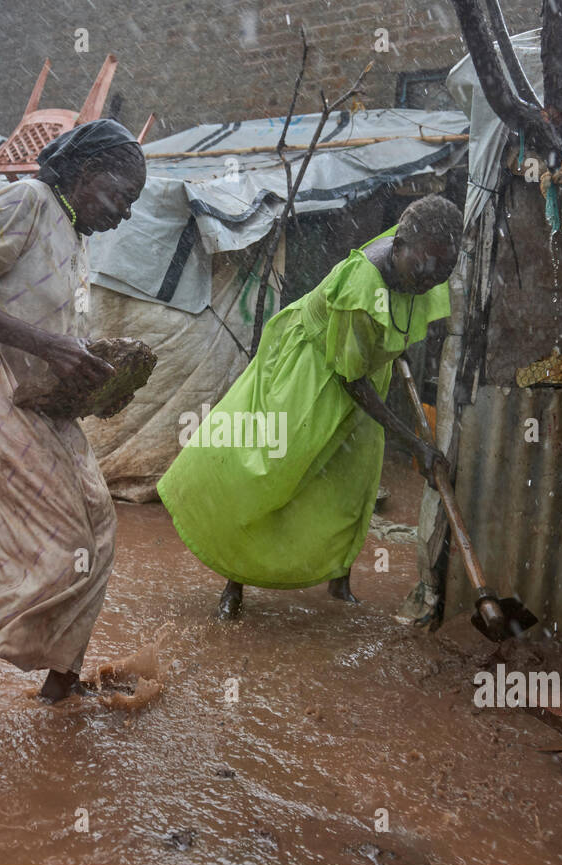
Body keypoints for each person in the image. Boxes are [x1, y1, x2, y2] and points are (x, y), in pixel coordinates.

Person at [0, 119, 147, 737]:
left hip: (35, 396)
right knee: (60, 545)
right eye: (120, 195)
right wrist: (48, 343)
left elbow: (44, 326)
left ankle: (61, 682)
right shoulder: (26, 201)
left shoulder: (71, 229)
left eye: (133, 204)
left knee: (99, 526)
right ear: (84, 170)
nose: (124, 214)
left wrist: (86, 369)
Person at [157, 195, 462, 619]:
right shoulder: (361, 287)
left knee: (350, 480)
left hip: (361, 369)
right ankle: (235, 577)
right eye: (425, 268)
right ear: (398, 246)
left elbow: (393, 325)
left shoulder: (419, 256)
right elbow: (349, 378)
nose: (431, 280)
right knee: (271, 471)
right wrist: (415, 442)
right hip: (312, 373)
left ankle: (339, 579)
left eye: (442, 272)